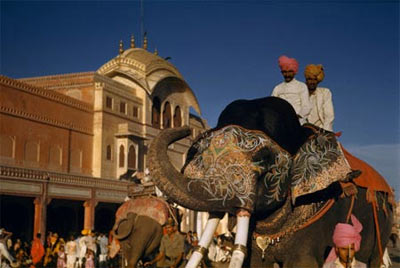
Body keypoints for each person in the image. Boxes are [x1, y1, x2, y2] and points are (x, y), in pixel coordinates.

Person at [271, 55, 311, 124]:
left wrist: (297, 117)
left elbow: (306, 107)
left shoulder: (301, 86)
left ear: (294, 72)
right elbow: (272, 105)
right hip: (280, 121)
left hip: (298, 121)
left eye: (289, 71)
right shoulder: (277, 88)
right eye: (284, 72)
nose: (287, 74)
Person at [304, 64, 335, 131]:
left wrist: (325, 132)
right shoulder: (300, 94)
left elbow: (329, 116)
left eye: (314, 79)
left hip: (320, 130)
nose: (312, 82)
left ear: (318, 81)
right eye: (310, 79)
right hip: (303, 131)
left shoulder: (325, 93)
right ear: (306, 80)